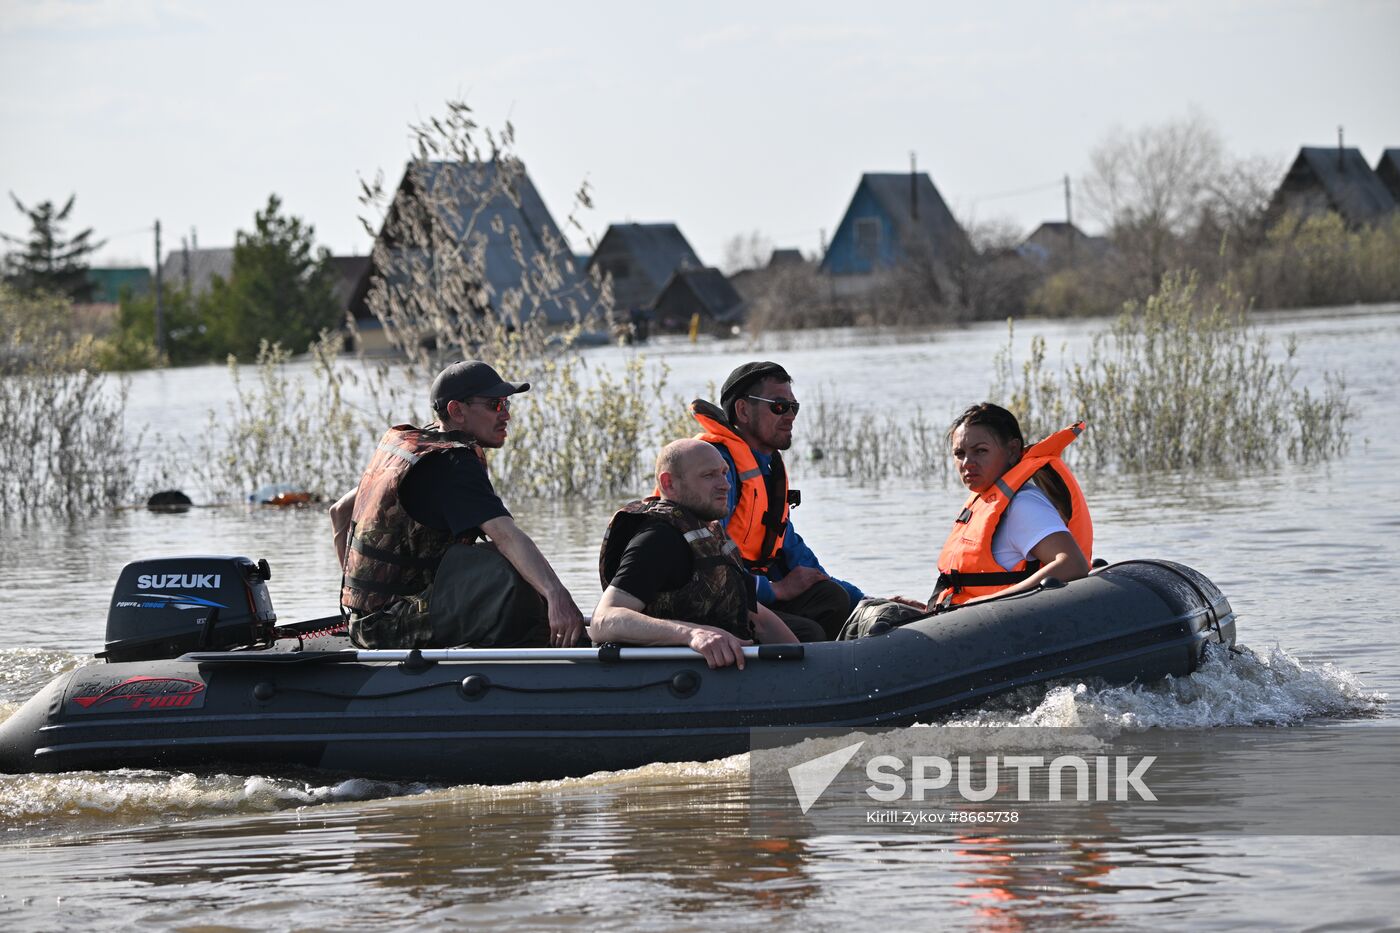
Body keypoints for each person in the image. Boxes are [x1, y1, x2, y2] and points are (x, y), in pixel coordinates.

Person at [336, 360, 586, 649]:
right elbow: (506, 536)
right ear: (456, 411)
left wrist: (357, 600)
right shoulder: (453, 463)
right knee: (508, 576)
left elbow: (339, 512)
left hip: (370, 620)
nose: (506, 414)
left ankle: (557, 635)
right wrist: (558, 597)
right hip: (388, 627)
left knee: (499, 562)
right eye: (495, 404)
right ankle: (558, 652)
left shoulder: (417, 448)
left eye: (506, 403)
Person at [687, 361, 864, 642]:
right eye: (779, 406)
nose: (790, 416)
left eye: (794, 407)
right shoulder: (719, 472)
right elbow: (706, 563)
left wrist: (867, 603)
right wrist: (775, 591)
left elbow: (799, 561)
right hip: (711, 599)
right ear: (743, 410)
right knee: (810, 633)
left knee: (833, 597)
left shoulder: (766, 473)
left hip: (750, 592)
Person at [592, 438, 799, 669]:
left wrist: (806, 665)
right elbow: (604, 620)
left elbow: (758, 618)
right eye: (709, 475)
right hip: (671, 678)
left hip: (730, 666)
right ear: (669, 483)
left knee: (812, 627)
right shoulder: (658, 539)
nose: (725, 485)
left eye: (724, 472)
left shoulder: (709, 533)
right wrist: (692, 635)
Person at [926, 402, 1092, 609]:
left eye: (980, 451)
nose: (967, 462)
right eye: (959, 454)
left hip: (1008, 623)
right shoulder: (984, 502)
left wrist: (983, 603)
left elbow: (1073, 564)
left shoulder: (1022, 505)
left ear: (1013, 450)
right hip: (967, 620)